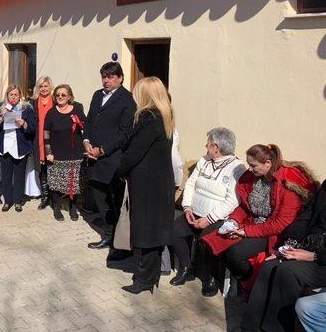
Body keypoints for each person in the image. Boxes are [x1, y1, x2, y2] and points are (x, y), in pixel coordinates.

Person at [202, 144, 317, 292]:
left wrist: (245, 231)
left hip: (273, 234)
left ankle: (249, 281)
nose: (250, 169)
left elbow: (280, 224)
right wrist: (233, 220)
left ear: (267, 163)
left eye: (253, 165)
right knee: (210, 235)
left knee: (234, 253)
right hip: (251, 223)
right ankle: (215, 278)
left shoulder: (287, 185)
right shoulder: (255, 178)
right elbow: (245, 206)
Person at [111, 77, 175, 294]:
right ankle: (150, 275)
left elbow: (133, 153)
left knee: (146, 232)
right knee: (153, 232)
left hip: (148, 185)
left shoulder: (149, 117)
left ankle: (145, 279)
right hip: (159, 182)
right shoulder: (165, 115)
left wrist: (119, 172)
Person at [241, 174, 326, 332]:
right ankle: (250, 327)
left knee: (286, 272)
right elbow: (307, 216)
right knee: (269, 266)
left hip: (321, 260)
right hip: (312, 247)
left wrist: (314, 256)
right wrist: (289, 245)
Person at [170, 127, 246, 296]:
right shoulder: (205, 160)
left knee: (207, 241)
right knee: (173, 231)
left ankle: (210, 278)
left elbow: (232, 201)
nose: (206, 146)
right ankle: (186, 268)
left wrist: (208, 219)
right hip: (194, 212)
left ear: (217, 148)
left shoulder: (237, 168)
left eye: (209, 144)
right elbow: (190, 184)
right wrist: (187, 207)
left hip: (216, 218)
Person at [82, 62, 136, 260]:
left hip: (113, 162)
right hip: (93, 160)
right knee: (101, 202)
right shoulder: (97, 95)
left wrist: (102, 150)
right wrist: (86, 141)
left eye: (111, 76)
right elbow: (89, 121)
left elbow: (124, 134)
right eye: (104, 76)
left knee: (115, 203)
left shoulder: (127, 100)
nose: (106, 80)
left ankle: (121, 245)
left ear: (120, 78)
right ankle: (107, 236)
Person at [44, 84, 87, 222]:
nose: (60, 97)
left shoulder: (77, 110)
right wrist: (48, 152)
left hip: (75, 154)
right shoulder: (51, 113)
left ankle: (72, 207)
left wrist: (79, 122)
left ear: (69, 96)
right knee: (56, 183)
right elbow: (46, 134)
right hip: (57, 154)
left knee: (74, 184)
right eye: (58, 95)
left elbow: (86, 128)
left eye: (63, 95)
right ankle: (56, 208)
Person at [0, 85, 37, 212]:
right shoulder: (1, 108)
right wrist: (1, 118)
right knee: (6, 176)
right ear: (7, 95)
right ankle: (7, 201)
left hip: (20, 147)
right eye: (11, 94)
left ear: (20, 95)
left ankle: (18, 201)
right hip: (4, 146)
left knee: (19, 175)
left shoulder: (26, 109)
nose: (13, 97)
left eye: (16, 94)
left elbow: (32, 129)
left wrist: (24, 123)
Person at [31, 76, 54, 209]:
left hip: (53, 139)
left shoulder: (56, 100)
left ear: (50, 87)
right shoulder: (33, 102)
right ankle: (45, 197)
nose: (44, 88)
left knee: (53, 167)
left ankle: (53, 196)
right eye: (41, 86)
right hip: (37, 140)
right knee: (41, 169)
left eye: (46, 86)